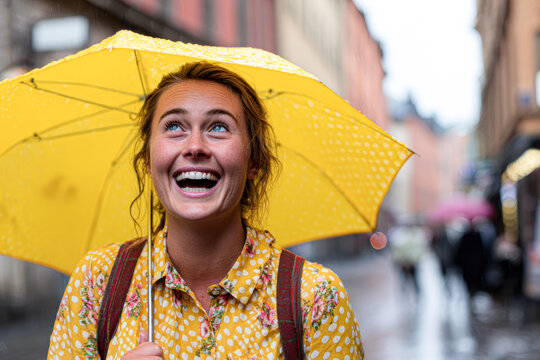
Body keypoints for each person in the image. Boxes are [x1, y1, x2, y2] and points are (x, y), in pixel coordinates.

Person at [47, 62, 364, 359]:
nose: (195, 146)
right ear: (147, 159)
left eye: (218, 127)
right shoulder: (96, 282)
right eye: (174, 126)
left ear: (253, 161)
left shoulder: (315, 298)